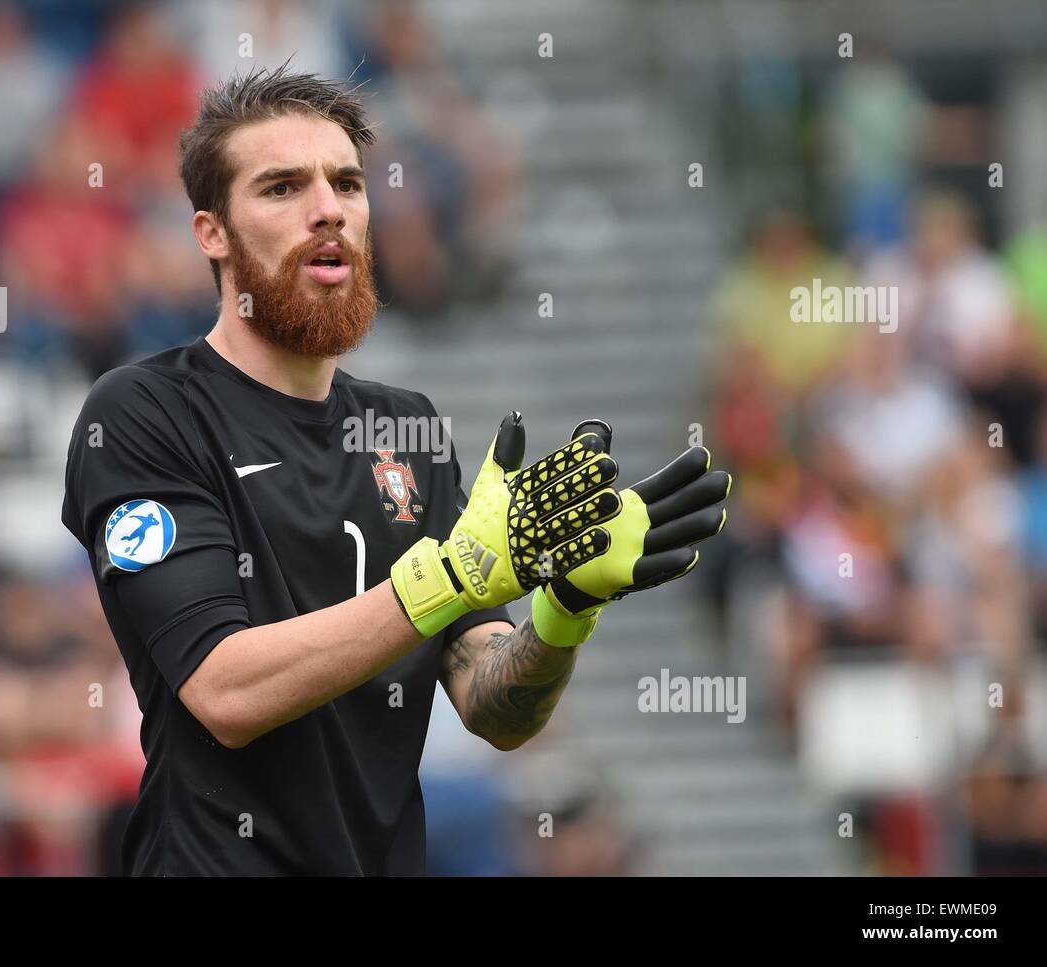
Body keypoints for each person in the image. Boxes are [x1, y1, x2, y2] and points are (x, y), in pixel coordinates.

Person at [61, 62, 729, 875]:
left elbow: (497, 708)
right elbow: (224, 691)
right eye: (281, 188)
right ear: (212, 233)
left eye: (346, 182)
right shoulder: (142, 412)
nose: (327, 209)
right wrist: (450, 577)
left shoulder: (404, 426)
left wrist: (563, 609)